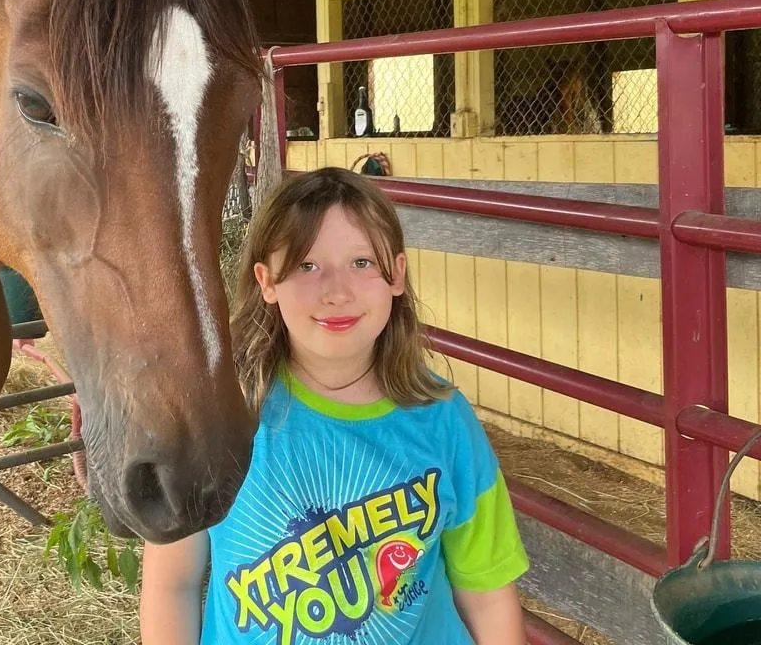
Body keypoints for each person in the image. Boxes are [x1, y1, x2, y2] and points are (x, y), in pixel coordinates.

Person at [140, 167, 529, 645]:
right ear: (267, 281)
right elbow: (170, 584)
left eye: (362, 262)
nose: (337, 291)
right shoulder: (218, 415)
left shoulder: (443, 419)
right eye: (307, 265)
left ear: (397, 276)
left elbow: (488, 593)